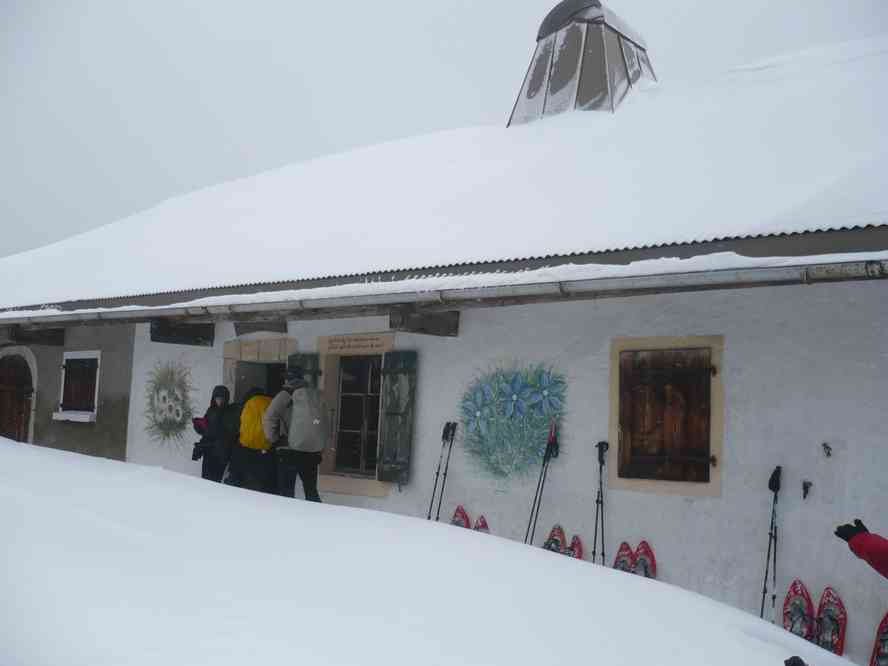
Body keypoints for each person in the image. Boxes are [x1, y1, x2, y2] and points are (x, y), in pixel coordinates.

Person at [267, 366, 329, 501]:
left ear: (287, 379)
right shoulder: (314, 395)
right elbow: (324, 421)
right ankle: (318, 518)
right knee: (311, 490)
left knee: (286, 492)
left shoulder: (285, 394)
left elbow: (270, 416)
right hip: (311, 450)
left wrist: (274, 439)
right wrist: (321, 445)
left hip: (288, 449)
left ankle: (288, 520)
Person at [231, 387, 277, 493]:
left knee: (242, 478)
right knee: (263, 480)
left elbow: (238, 425)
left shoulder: (247, 404)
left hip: (246, 446)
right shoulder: (271, 402)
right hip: (266, 448)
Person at [191, 385, 238, 482]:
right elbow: (207, 432)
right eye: (217, 398)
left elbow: (227, 434)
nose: (220, 401)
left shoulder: (231, 413)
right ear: (214, 398)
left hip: (222, 455)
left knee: (217, 484)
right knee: (206, 482)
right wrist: (200, 445)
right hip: (209, 454)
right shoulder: (211, 411)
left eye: (222, 398)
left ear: (226, 399)